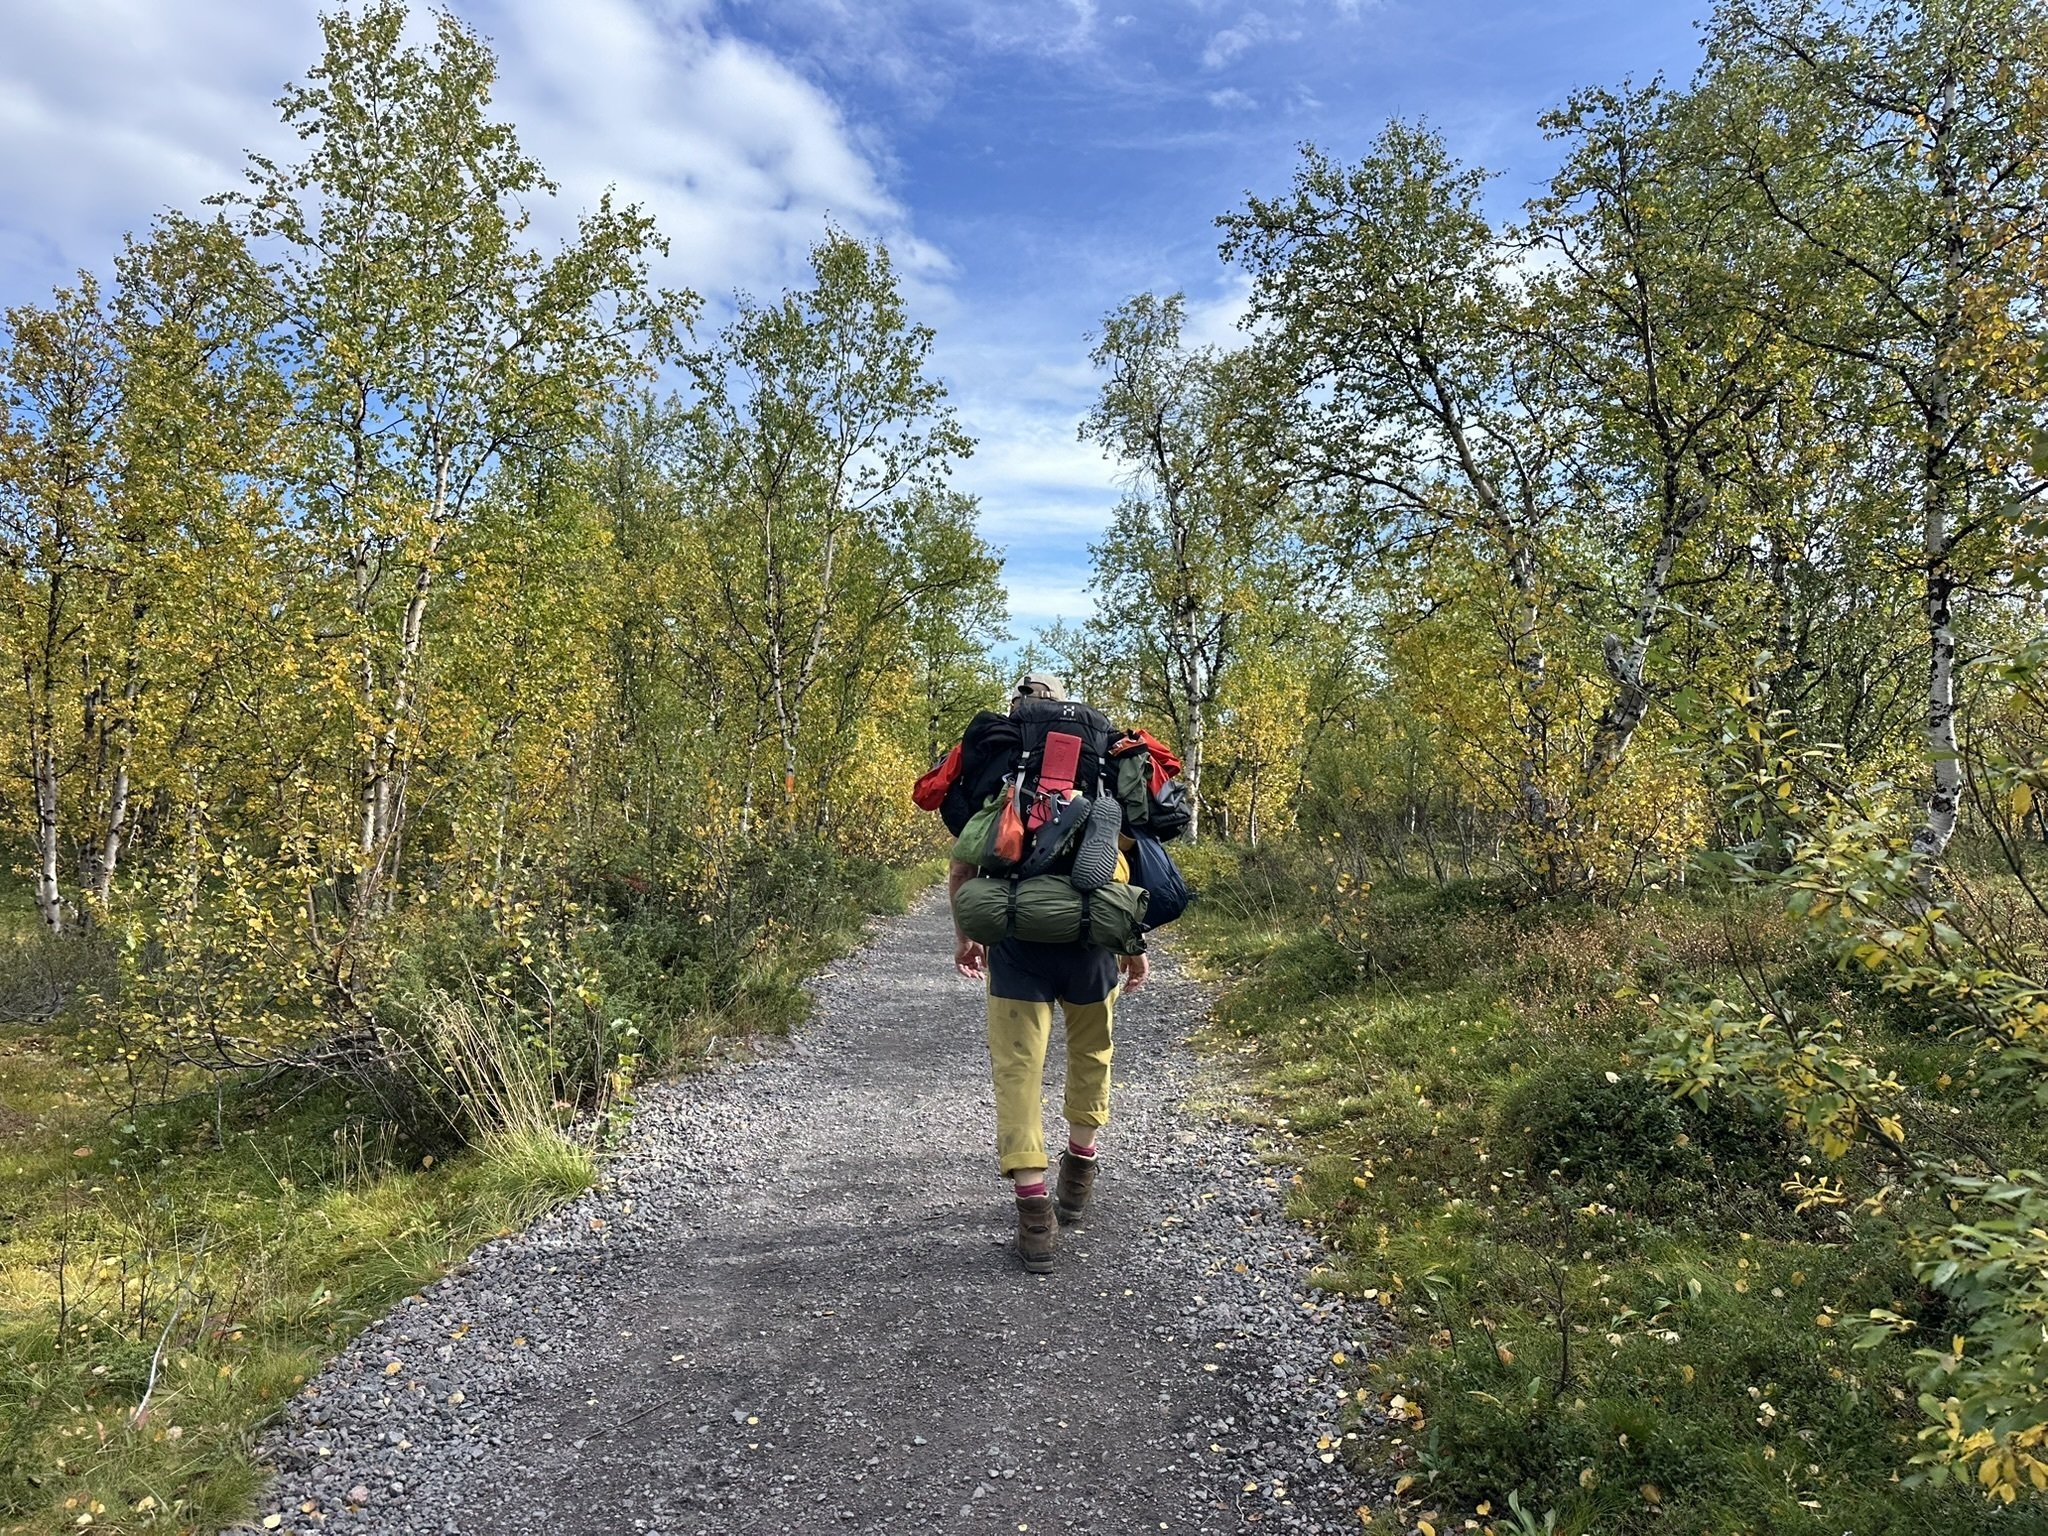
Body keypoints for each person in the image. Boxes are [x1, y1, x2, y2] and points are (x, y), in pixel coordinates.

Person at [946, 670, 1149, 1274]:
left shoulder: (1001, 791)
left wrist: (966, 937)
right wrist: (1133, 950)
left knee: (1018, 1072)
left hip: (1017, 950)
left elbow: (962, 871)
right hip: (1089, 949)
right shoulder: (1101, 793)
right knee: (1093, 1056)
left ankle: (1035, 1216)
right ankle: (1079, 1172)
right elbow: (1126, 880)